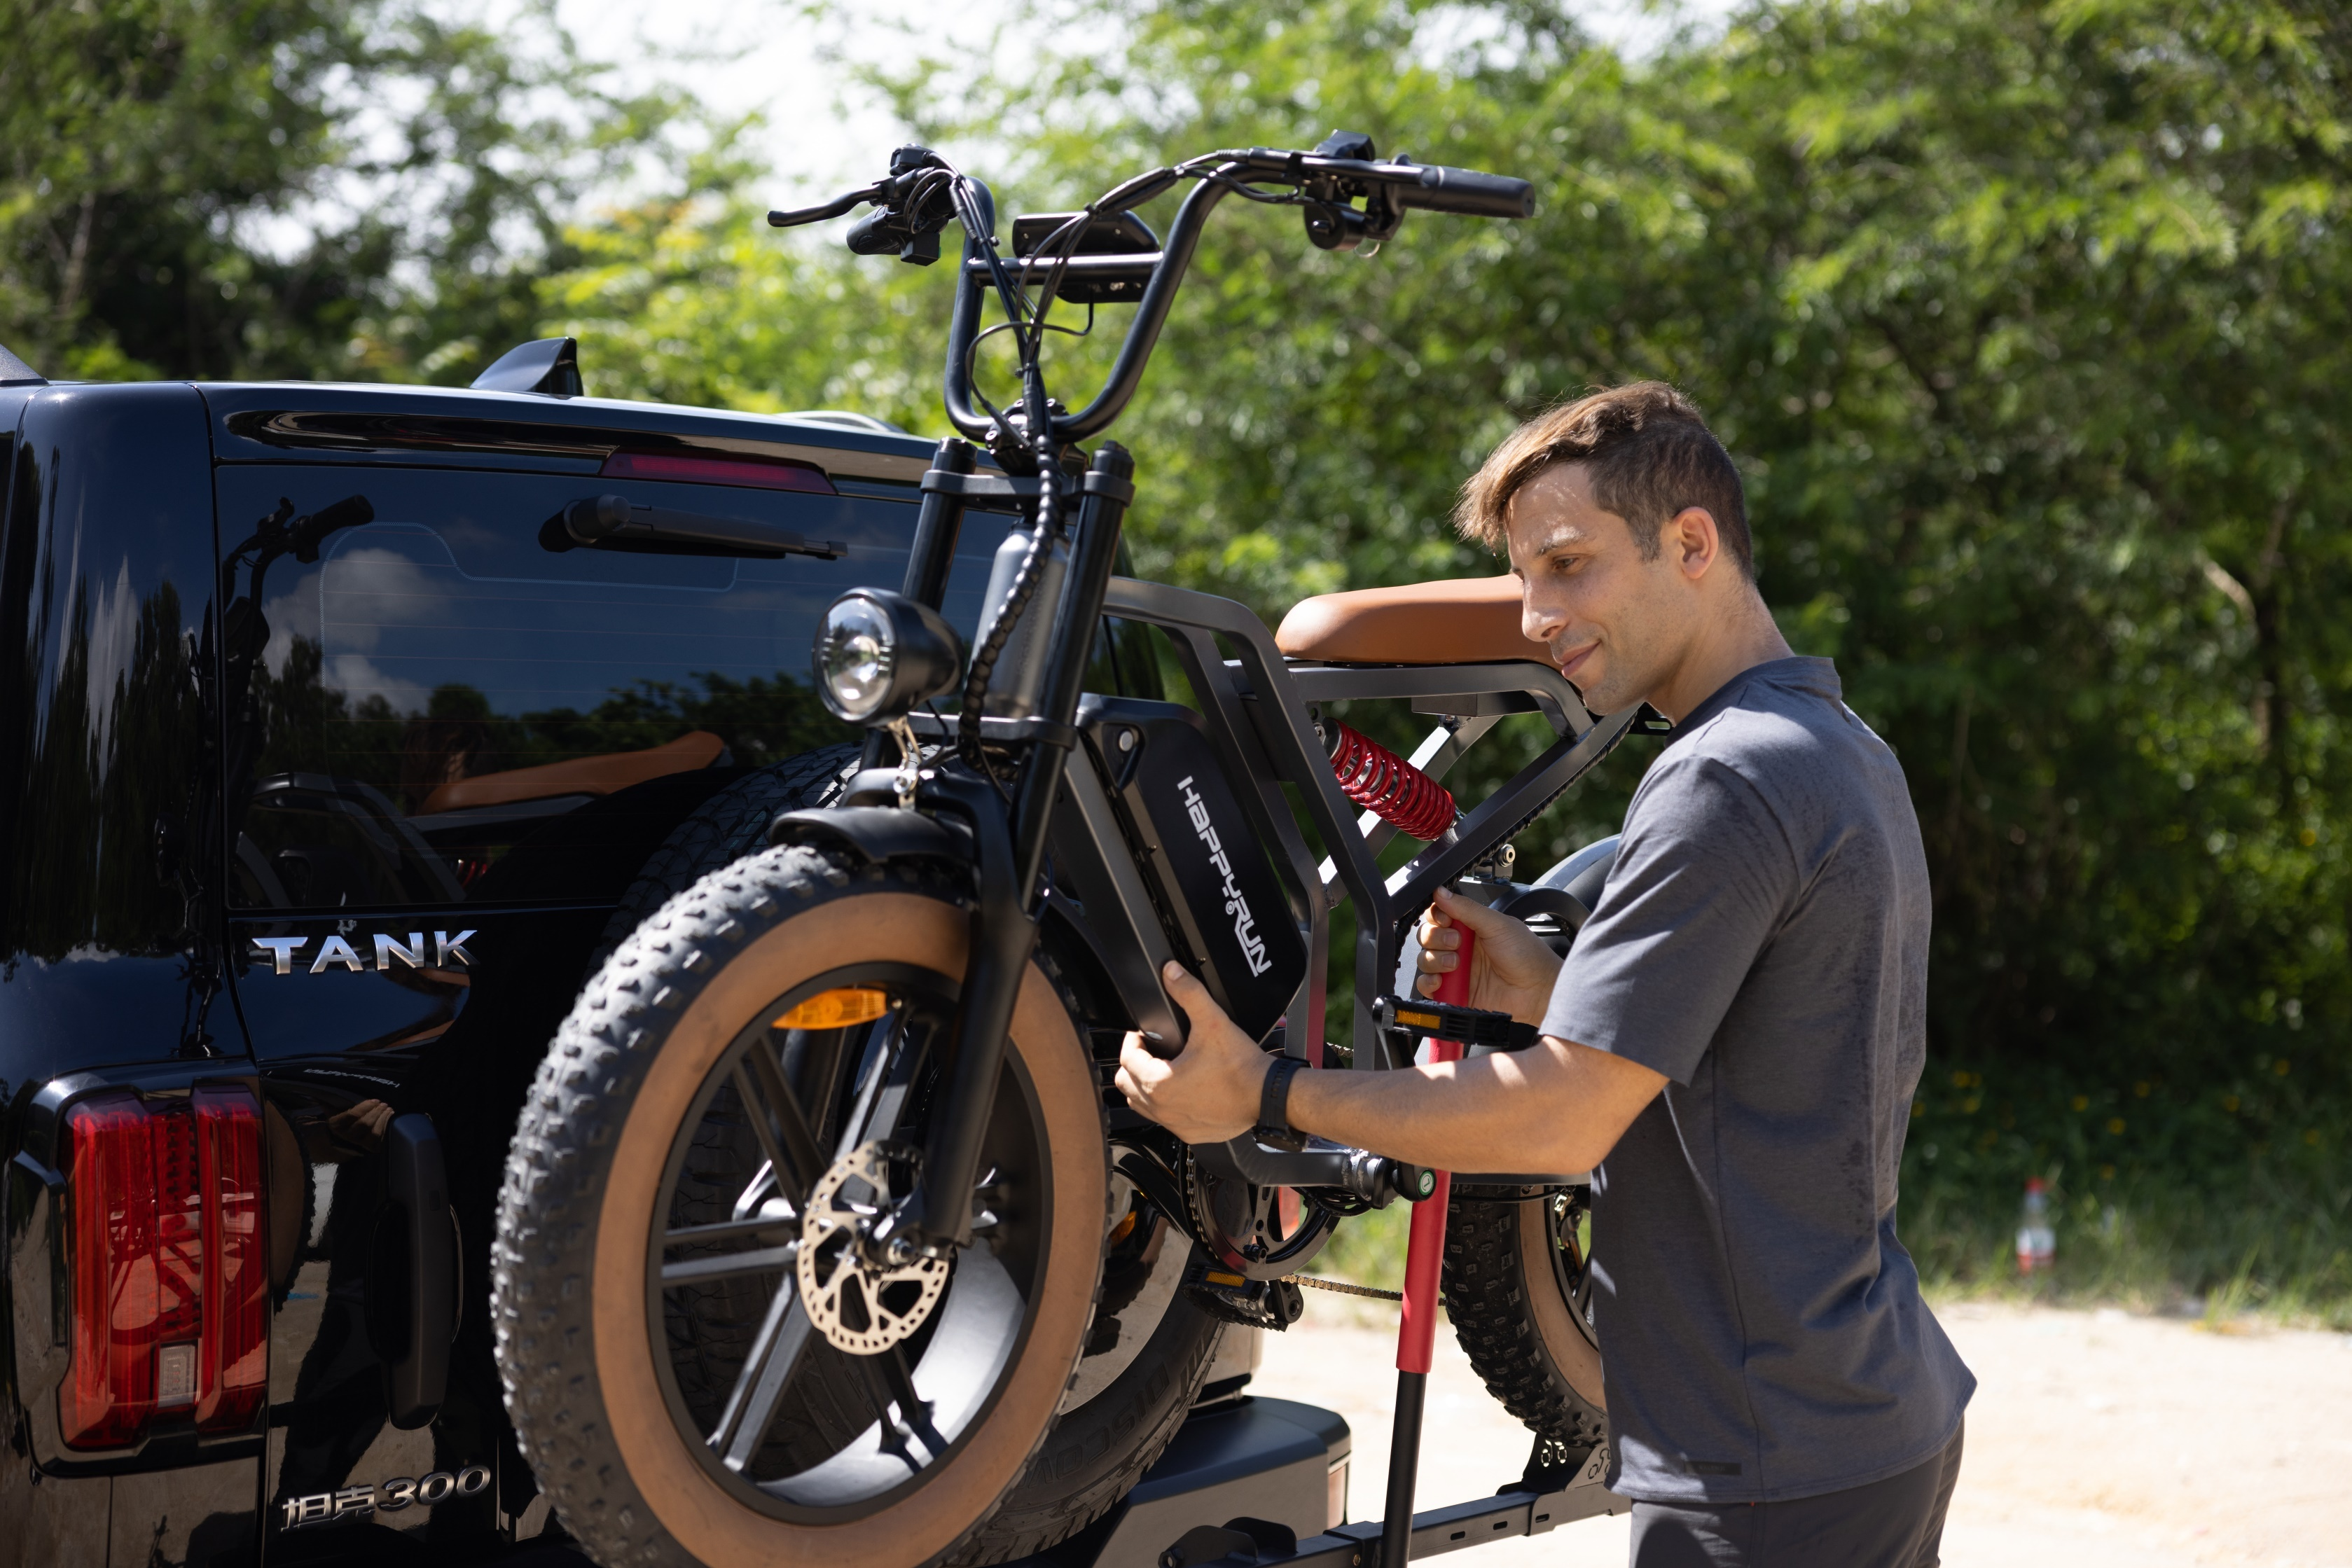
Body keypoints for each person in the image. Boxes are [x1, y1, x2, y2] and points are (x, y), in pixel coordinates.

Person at [1116, 382, 1974, 1567]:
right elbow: (1763, 1043)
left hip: (1768, 1465)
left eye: (1567, 566)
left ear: (1690, 545)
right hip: (1859, 1412)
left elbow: (1560, 1112)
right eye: (1524, 577)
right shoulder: (1834, 744)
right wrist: (1547, 988)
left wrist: (1262, 1094)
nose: (1534, 614)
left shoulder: (1721, 778)